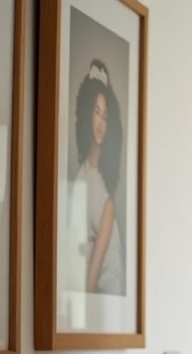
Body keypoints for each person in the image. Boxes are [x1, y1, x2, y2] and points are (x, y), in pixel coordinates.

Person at [68, 59, 124, 296]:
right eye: (96, 113)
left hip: (108, 284)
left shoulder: (105, 180)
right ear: (87, 114)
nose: (101, 123)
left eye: (106, 117)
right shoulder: (82, 175)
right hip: (92, 282)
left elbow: (106, 220)